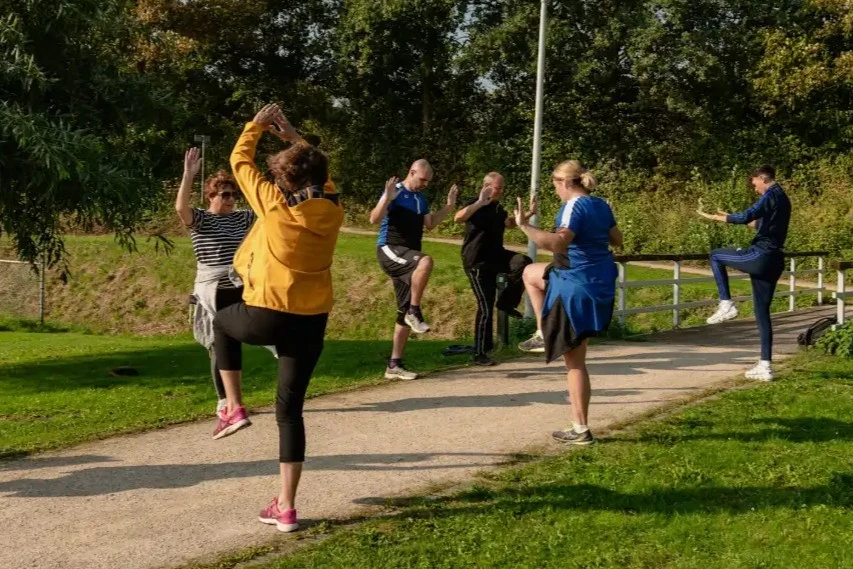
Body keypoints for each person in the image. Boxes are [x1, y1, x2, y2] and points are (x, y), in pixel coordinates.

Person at [212, 103, 344, 532]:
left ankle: (233, 407)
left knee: (221, 321)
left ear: (285, 181)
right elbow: (322, 175)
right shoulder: (333, 209)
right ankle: (286, 507)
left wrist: (255, 126)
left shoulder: (274, 204)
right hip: (312, 319)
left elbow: (239, 161)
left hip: (268, 311)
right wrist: (295, 140)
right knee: (290, 412)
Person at [516, 160, 622, 445]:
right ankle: (542, 332)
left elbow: (558, 243)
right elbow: (617, 239)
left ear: (563, 182)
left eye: (555, 186)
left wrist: (525, 225)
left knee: (574, 363)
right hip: (599, 285)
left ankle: (580, 429)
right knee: (531, 273)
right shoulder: (600, 205)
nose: (556, 192)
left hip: (575, 286)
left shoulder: (573, 206)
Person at [175, 148, 255, 425]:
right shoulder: (202, 219)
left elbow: (267, 212)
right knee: (217, 344)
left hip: (239, 287)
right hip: (213, 291)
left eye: (233, 195)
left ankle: (233, 401)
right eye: (225, 195)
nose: (231, 199)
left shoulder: (242, 218)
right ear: (211, 196)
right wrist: (188, 175)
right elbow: (181, 209)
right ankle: (225, 401)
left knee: (234, 343)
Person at [696, 164, 791, 381]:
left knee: (715, 255)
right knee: (761, 312)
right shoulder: (782, 198)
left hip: (761, 256)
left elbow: (745, 216)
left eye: (754, 184)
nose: (755, 189)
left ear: (762, 178)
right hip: (775, 260)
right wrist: (730, 215)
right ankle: (765, 366)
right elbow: (759, 224)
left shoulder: (770, 194)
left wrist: (718, 218)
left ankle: (726, 304)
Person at [370, 160, 458, 380]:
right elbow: (374, 219)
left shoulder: (420, 199)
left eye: (428, 181)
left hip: (408, 255)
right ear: (411, 172)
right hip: (390, 249)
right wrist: (386, 198)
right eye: (422, 180)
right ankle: (415, 311)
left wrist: (448, 207)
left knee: (402, 312)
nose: (425, 184)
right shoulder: (395, 192)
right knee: (425, 261)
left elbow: (430, 224)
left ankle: (394, 365)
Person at [455, 172, 534, 366]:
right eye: (499, 187)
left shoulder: (498, 208)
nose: (501, 191)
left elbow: (508, 224)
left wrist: (528, 214)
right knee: (485, 306)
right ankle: (480, 352)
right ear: (487, 186)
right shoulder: (473, 203)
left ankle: (506, 303)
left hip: (496, 256)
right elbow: (458, 217)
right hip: (477, 261)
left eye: (502, 188)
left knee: (523, 261)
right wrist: (480, 202)